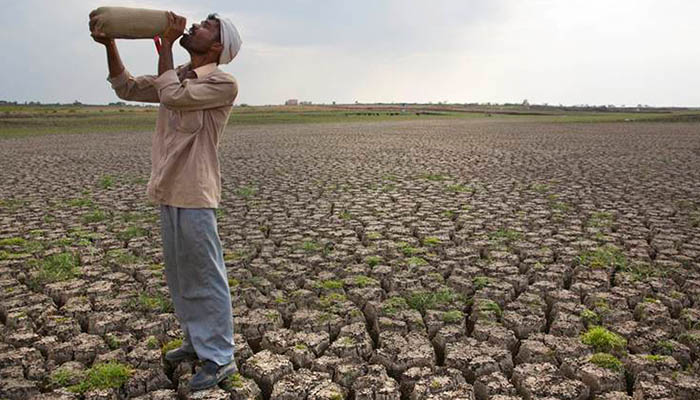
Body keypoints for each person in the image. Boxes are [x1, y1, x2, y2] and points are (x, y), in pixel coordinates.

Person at [90, 10, 242, 391]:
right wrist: (111, 43)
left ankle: (220, 357)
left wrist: (168, 47)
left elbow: (172, 96)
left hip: (195, 191)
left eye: (205, 26)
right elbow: (125, 87)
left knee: (206, 275)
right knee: (180, 275)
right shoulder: (178, 75)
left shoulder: (223, 82)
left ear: (218, 44)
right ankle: (196, 342)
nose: (194, 26)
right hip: (168, 188)